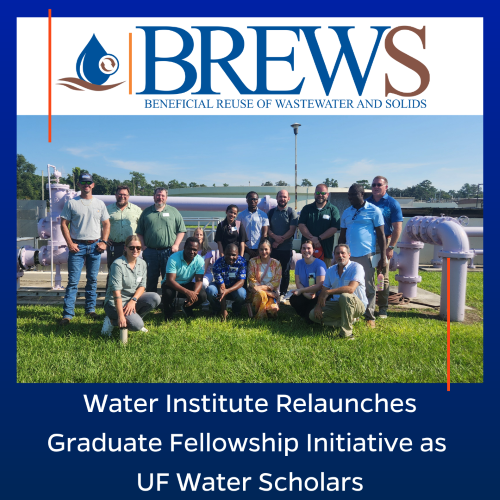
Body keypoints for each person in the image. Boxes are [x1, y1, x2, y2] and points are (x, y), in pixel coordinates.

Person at [59, 173, 110, 326]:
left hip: (95, 247)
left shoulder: (99, 204)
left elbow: (106, 224)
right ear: (79, 184)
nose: (86, 185)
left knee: (92, 280)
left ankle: (90, 310)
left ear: (93, 185)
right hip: (77, 247)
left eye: (89, 182)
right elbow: (63, 224)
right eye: (83, 182)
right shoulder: (71, 203)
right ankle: (68, 315)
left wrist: (104, 242)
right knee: (73, 282)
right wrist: (69, 243)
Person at [338, 184, 386, 327]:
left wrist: (383, 257)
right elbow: (342, 235)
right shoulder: (346, 212)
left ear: (362, 194)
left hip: (366, 254)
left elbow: (381, 235)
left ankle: (370, 316)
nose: (350, 198)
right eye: (349, 195)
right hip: (348, 256)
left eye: (354, 195)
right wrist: (339, 253)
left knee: (368, 286)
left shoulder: (374, 210)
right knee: (349, 285)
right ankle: (354, 313)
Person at [101, 234, 161, 336]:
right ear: (125, 248)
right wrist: (120, 316)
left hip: (131, 300)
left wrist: (133, 300)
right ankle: (111, 321)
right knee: (137, 326)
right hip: (114, 302)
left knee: (155, 298)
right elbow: (116, 292)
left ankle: (134, 318)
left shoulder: (142, 263)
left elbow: (142, 286)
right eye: (131, 247)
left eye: (138, 248)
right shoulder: (118, 264)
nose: (135, 250)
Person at [309, 244, 368, 339]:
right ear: (334, 255)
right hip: (337, 304)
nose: (340, 256)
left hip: (357, 305)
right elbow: (324, 290)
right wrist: (318, 306)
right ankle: (346, 322)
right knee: (312, 315)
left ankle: (347, 334)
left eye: (343, 253)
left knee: (345, 296)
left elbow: (351, 289)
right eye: (337, 253)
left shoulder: (357, 267)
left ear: (349, 254)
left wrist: (329, 292)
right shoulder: (330, 270)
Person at [366, 176, 403, 319]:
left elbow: (397, 227)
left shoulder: (392, 204)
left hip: (385, 242)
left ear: (386, 187)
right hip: (368, 243)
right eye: (373, 184)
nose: (375, 187)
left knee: (382, 276)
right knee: (367, 275)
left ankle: (382, 307)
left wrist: (391, 247)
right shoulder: (366, 202)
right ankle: (367, 305)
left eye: (379, 185)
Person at [136, 187, 186, 293]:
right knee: (150, 278)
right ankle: (149, 303)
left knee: (169, 278)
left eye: (163, 195)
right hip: (150, 252)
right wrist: (144, 246)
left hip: (168, 252)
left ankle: (167, 304)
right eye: (158, 195)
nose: (160, 197)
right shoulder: (146, 212)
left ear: (166, 198)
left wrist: (176, 245)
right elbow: (139, 232)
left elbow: (181, 231)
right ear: (154, 196)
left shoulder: (173, 211)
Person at [161, 237, 207, 321]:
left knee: (202, 295)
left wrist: (194, 294)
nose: (192, 252)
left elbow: (199, 281)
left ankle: (187, 308)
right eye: (189, 248)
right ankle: (168, 315)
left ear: (198, 250)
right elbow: (170, 281)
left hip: (186, 283)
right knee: (168, 293)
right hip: (171, 284)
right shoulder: (174, 258)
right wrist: (187, 292)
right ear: (184, 247)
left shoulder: (200, 260)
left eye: (195, 250)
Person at [106, 185, 142, 286]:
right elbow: (99, 225)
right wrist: (103, 238)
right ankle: (110, 298)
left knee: (132, 271)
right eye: (120, 194)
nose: (122, 196)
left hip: (132, 248)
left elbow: (143, 227)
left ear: (128, 196)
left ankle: (130, 297)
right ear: (115, 195)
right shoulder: (108, 209)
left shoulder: (137, 210)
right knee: (113, 271)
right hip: (114, 246)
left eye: (125, 195)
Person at [298, 184, 341, 268]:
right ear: (314, 194)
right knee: (306, 276)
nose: (320, 195)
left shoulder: (333, 209)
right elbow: (301, 225)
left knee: (324, 277)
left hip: (326, 252)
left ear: (327, 194)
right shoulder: (307, 208)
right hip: (307, 251)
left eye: (323, 193)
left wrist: (319, 238)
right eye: (318, 192)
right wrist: (312, 239)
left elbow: (334, 228)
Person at [267, 189, 299, 299]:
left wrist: (279, 240)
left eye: (285, 197)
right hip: (273, 248)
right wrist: (275, 239)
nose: (282, 199)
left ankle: (283, 294)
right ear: (277, 198)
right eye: (280, 196)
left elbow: (292, 230)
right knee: (271, 271)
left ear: (288, 198)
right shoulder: (271, 212)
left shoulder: (291, 212)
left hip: (286, 248)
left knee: (285, 272)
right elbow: (267, 229)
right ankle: (271, 291)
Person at [206, 243, 247, 321]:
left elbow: (241, 281)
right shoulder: (218, 264)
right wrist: (223, 310)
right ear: (224, 253)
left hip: (235, 286)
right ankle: (216, 308)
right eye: (228, 254)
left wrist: (228, 290)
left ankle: (236, 309)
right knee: (210, 290)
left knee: (242, 294)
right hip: (220, 286)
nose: (231, 257)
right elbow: (221, 286)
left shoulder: (242, 261)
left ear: (238, 254)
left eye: (233, 255)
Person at [290, 240, 327, 322]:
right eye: (304, 248)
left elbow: (320, 285)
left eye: (309, 248)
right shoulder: (299, 263)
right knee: (293, 299)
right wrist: (305, 293)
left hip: (317, 296)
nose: (306, 251)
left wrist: (303, 291)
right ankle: (305, 313)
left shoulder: (320, 264)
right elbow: (298, 282)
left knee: (309, 320)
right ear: (301, 250)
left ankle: (308, 313)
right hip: (306, 294)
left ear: (313, 250)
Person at [247, 239, 282, 319]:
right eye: (261, 249)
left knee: (273, 310)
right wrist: (266, 292)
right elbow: (252, 280)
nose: (264, 252)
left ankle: (264, 311)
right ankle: (260, 316)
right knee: (261, 295)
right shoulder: (253, 262)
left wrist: (264, 289)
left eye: (266, 249)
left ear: (270, 250)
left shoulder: (276, 264)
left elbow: (276, 281)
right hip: (256, 293)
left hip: (272, 293)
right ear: (258, 250)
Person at [237, 191, 269, 260]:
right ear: (246, 200)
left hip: (259, 250)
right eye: (250, 199)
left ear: (257, 200)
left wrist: (259, 249)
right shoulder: (240, 215)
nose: (253, 201)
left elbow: (265, 234)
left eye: (255, 199)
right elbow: (237, 233)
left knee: (258, 270)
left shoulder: (263, 215)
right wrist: (248, 250)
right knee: (245, 270)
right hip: (245, 249)